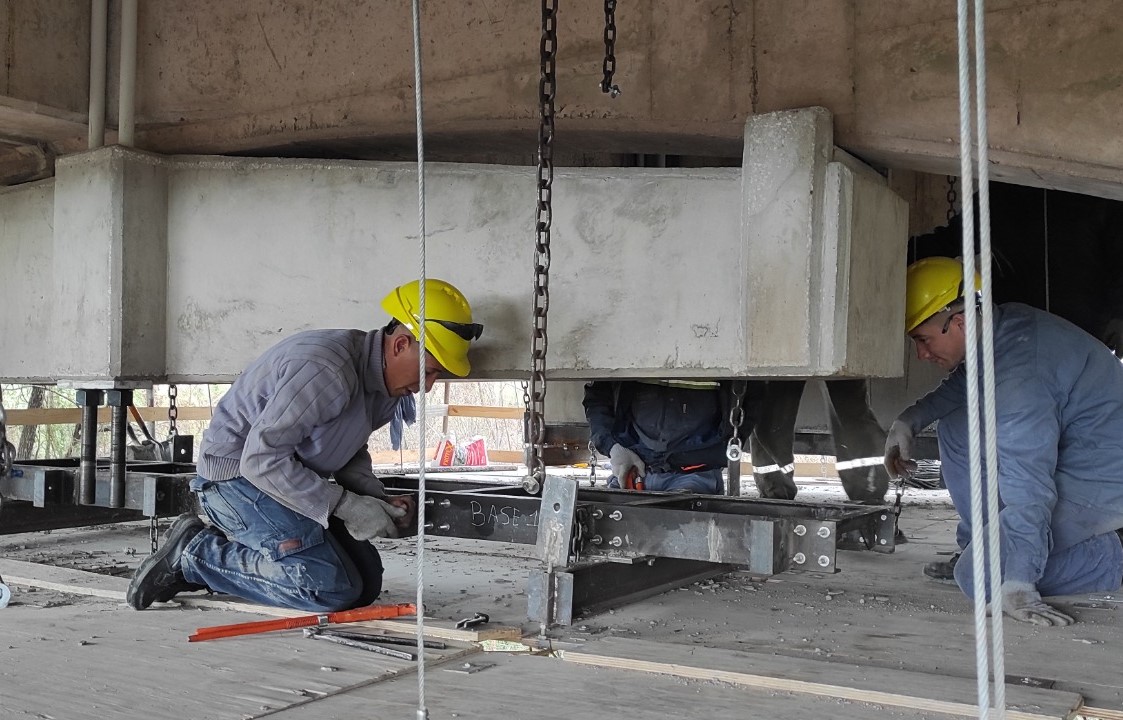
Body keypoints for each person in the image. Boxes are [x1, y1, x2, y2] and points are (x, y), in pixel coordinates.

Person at [126, 279, 483, 612]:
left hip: (281, 482)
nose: (428, 386)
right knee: (326, 587)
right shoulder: (327, 370)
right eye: (431, 371)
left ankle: (243, 551)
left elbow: (348, 448)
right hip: (234, 482)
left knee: (366, 583)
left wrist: (375, 498)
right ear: (401, 344)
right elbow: (261, 459)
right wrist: (346, 505)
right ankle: (195, 553)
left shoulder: (386, 388)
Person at [883, 256, 1123, 626]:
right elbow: (964, 386)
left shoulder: (1020, 379)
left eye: (923, 339)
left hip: (1102, 485)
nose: (921, 354)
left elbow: (1029, 488)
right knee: (957, 420)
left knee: (977, 579)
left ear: (959, 322)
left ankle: (1114, 554)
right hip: (1082, 460)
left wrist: (1020, 581)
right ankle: (980, 545)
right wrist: (907, 422)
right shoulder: (1005, 326)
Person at [583, 380, 761, 494]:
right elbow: (599, 394)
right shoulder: (629, 338)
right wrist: (612, 446)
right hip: (633, 469)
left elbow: (750, 399)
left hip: (695, 473)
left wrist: (721, 449)